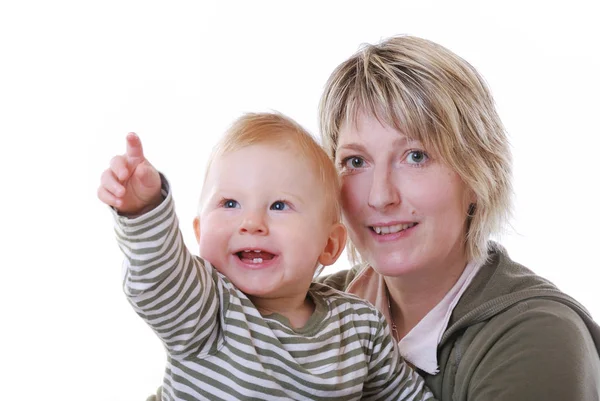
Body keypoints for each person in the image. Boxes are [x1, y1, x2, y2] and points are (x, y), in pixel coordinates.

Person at [316, 35, 600, 400]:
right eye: (356, 162)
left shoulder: (539, 337)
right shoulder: (310, 307)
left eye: (416, 156)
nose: (380, 196)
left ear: (477, 173)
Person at [98, 112, 435, 400]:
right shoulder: (208, 307)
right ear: (200, 234)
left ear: (329, 245)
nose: (252, 223)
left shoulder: (360, 327)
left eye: (278, 206)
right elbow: (158, 277)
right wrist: (144, 210)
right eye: (229, 204)